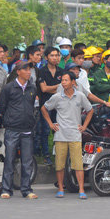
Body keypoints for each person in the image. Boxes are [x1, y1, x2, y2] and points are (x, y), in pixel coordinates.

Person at [43, 71, 93, 199]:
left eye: (66, 80)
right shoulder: (57, 97)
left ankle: (81, 189)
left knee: (78, 164)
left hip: (75, 135)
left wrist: (85, 126)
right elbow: (44, 108)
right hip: (60, 135)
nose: (63, 83)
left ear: (73, 82)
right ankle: (60, 188)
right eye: (62, 80)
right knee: (59, 165)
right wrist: (51, 124)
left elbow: (90, 110)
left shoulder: (80, 96)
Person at [0, 60, 38, 199]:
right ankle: (6, 189)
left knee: (27, 161)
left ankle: (26, 189)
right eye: (26, 69)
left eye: (30, 70)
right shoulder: (8, 88)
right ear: (18, 71)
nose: (29, 72)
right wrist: (9, 120)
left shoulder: (32, 88)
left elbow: (32, 106)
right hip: (12, 129)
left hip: (27, 129)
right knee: (9, 160)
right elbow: (2, 107)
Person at [38, 47, 63, 165]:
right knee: (46, 129)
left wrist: (51, 88)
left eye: (57, 55)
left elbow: (64, 89)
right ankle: (45, 155)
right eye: (52, 55)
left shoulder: (61, 71)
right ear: (46, 57)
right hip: (46, 105)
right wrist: (58, 86)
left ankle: (57, 154)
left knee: (58, 129)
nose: (55, 58)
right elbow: (43, 89)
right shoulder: (42, 71)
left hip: (59, 106)